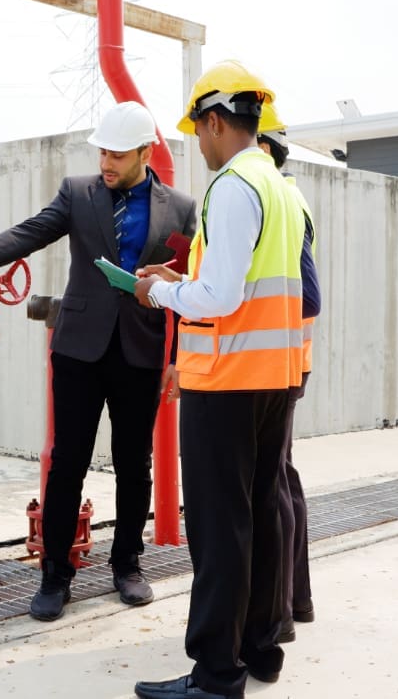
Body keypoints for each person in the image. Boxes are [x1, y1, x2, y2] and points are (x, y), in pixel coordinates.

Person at [0, 100, 197, 621]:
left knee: (135, 465)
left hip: (141, 350)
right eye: (102, 152)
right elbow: (29, 232)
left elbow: (190, 285)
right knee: (68, 463)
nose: (106, 162)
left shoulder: (180, 208)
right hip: (79, 350)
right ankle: (55, 575)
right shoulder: (78, 193)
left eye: (117, 153)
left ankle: (128, 565)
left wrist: (178, 357)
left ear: (144, 151)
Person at [132, 60, 310, 699]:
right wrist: (188, 284)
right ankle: (260, 651)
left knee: (219, 528)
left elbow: (223, 297)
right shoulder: (282, 187)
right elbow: (251, 285)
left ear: (214, 122)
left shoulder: (233, 185)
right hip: (273, 376)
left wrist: (158, 293)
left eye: (198, 132)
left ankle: (214, 675)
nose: (198, 145)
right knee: (261, 517)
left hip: (226, 379)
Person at [256, 102, 320, 642]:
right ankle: (294, 603)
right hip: (283, 360)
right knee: (283, 479)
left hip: (279, 364)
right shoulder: (287, 197)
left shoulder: (282, 200)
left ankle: (286, 607)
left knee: (276, 483)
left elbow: (309, 294)